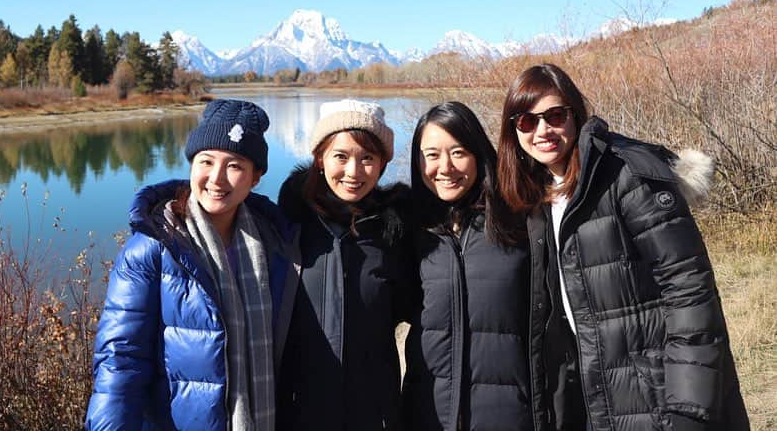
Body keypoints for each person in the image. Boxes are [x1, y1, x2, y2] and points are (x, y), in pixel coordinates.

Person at [496, 63, 748, 431]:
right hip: (601, 396)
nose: (542, 131)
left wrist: (690, 410)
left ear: (575, 115)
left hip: (659, 398)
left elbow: (690, 293)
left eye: (554, 116)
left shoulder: (626, 175)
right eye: (526, 122)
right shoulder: (538, 195)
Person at [85, 99, 299, 431]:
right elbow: (121, 359)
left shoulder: (276, 244)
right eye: (206, 161)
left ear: (255, 177)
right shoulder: (154, 247)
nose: (216, 178)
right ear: (191, 165)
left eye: (235, 165)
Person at [275, 99, 411, 431]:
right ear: (320, 158)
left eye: (367, 158)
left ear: (382, 165)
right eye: (341, 156)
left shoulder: (395, 233)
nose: (354, 172)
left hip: (373, 412)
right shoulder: (287, 226)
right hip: (298, 411)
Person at [402, 101, 536, 431]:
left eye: (458, 152)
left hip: (509, 415)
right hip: (428, 414)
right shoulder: (408, 228)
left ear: (478, 153)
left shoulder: (519, 219)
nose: (444, 167)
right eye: (431, 155)